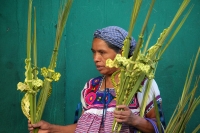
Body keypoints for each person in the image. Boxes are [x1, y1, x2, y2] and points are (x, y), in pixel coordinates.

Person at [28, 26, 165, 133]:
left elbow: (160, 128)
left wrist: (134, 120)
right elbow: (83, 128)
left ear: (122, 52)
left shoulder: (141, 84)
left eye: (102, 52)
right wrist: (50, 128)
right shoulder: (90, 87)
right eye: (94, 52)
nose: (96, 59)